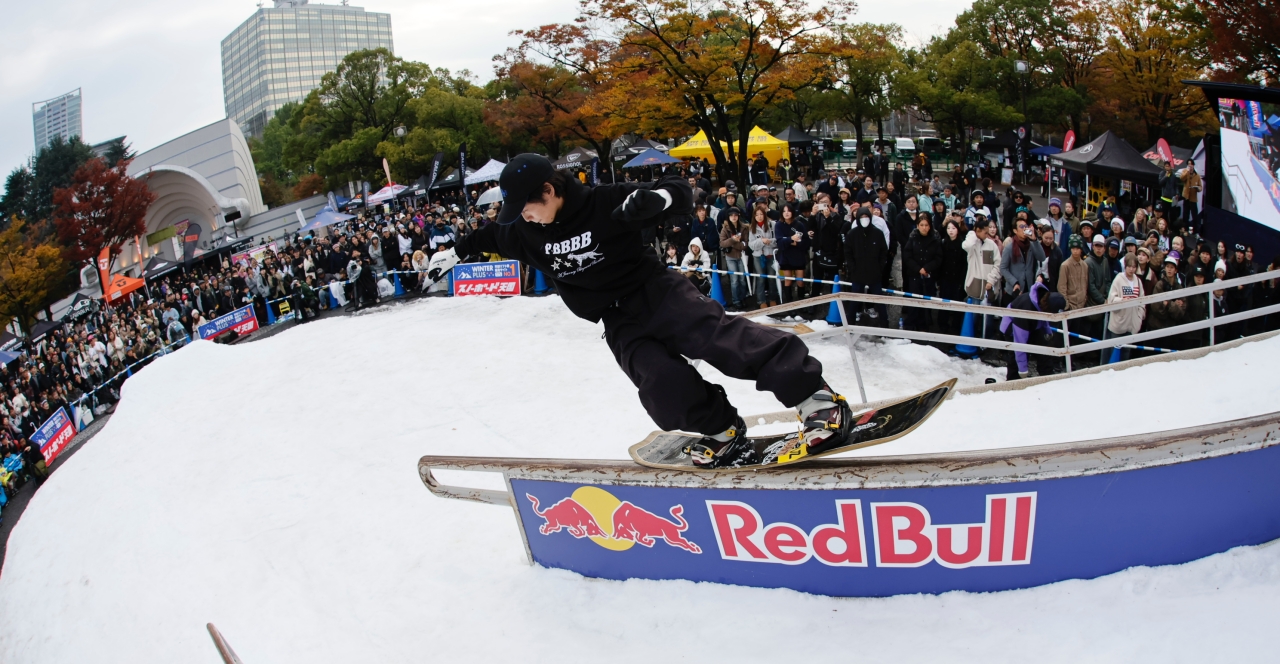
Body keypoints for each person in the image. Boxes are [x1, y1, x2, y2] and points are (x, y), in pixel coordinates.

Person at [425, 154, 855, 468]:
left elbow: (679, 190)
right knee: (660, 384)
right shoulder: (522, 231)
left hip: (655, 291)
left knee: (719, 340)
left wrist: (661, 201)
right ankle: (724, 431)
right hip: (616, 319)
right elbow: (489, 237)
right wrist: (452, 251)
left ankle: (816, 401)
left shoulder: (603, 202)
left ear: (550, 191)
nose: (525, 218)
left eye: (529, 208)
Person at [999, 282, 1067, 379]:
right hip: (1013, 326)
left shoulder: (1043, 299)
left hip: (1034, 325)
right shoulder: (1026, 309)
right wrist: (1023, 370)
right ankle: (1013, 382)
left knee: (1044, 349)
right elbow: (1019, 344)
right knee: (1016, 357)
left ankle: (1047, 377)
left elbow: (1044, 317)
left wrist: (1047, 331)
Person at [844, 209, 889, 322]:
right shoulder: (852, 234)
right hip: (857, 273)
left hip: (874, 273)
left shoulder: (877, 233)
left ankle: (885, 327)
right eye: (862, 216)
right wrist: (852, 268)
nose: (864, 219)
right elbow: (847, 253)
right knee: (854, 301)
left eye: (866, 216)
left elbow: (884, 251)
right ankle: (850, 325)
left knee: (879, 301)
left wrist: (879, 267)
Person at [901, 214, 941, 330]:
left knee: (927, 299)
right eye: (921, 225)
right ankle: (911, 323)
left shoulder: (935, 240)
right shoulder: (912, 239)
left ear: (930, 226)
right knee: (914, 299)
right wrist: (918, 268)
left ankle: (925, 322)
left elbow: (938, 258)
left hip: (928, 275)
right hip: (914, 274)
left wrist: (927, 268)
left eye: (926, 225)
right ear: (917, 226)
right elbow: (907, 256)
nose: (924, 227)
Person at [1106, 254, 1146, 361]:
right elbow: (1111, 299)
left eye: (1134, 267)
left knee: (1126, 352)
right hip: (1119, 323)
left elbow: (1142, 299)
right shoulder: (1118, 279)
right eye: (1129, 266)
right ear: (1125, 266)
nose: (1131, 269)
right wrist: (1122, 301)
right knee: (1114, 352)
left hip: (1132, 323)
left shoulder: (1138, 281)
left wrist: (1139, 315)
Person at [774, 203, 810, 304]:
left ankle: (801, 302)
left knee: (800, 281)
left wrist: (794, 243)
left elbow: (806, 242)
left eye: (788, 211)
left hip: (798, 255)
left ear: (792, 212)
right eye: (784, 211)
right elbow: (780, 242)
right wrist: (791, 239)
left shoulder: (799, 224)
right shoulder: (779, 225)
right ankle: (789, 304)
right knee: (788, 281)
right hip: (785, 256)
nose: (786, 213)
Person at [746, 206, 780, 308]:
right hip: (758, 256)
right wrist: (761, 241)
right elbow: (751, 245)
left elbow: (777, 240)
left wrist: (769, 241)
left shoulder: (772, 224)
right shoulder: (752, 227)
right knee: (761, 278)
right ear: (754, 216)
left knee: (772, 278)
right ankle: (761, 301)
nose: (759, 217)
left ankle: (773, 298)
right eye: (757, 215)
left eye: (761, 214)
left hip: (771, 255)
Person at [718, 208, 748, 311]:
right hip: (730, 257)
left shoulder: (744, 227)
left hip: (742, 256)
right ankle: (736, 300)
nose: (734, 217)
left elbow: (745, 244)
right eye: (731, 215)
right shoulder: (725, 228)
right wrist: (733, 240)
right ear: (728, 217)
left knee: (742, 279)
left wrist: (735, 244)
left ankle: (743, 297)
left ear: (738, 216)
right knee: (734, 280)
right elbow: (722, 243)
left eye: (735, 215)